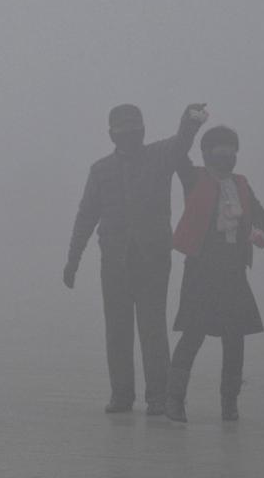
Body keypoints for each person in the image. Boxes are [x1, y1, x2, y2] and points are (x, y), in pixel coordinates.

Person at [65, 103, 209, 415]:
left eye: (134, 131)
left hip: (152, 258)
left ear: (142, 131)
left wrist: (190, 121)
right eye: (123, 132)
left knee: (152, 328)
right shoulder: (100, 170)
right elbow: (86, 216)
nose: (130, 137)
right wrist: (73, 259)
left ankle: (157, 396)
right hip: (114, 261)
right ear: (112, 135)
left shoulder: (160, 156)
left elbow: (181, 141)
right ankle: (121, 394)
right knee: (117, 331)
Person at [166, 125, 264, 422]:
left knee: (235, 339)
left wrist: (258, 231)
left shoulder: (241, 184)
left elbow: (261, 215)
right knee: (193, 335)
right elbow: (177, 153)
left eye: (231, 150)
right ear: (207, 153)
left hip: (234, 273)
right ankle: (174, 400)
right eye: (219, 149)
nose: (226, 155)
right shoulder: (194, 178)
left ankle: (229, 402)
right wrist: (189, 124)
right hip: (201, 271)